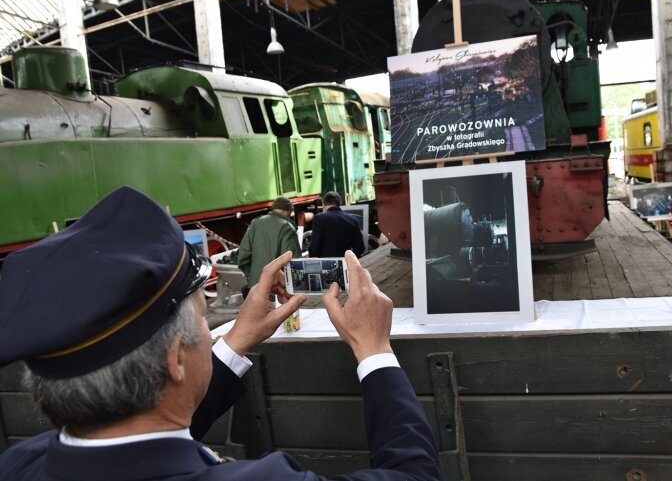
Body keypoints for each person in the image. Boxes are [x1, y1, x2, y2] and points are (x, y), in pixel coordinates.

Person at [0, 186, 442, 480]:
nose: (207, 333)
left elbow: (139, 431)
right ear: (175, 357)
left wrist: (235, 342)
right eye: (201, 320)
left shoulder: (23, 464)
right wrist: (374, 349)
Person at [238, 196, 301, 295]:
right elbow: (293, 262)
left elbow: (243, 255)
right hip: (277, 290)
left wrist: (251, 276)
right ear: (288, 211)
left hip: (255, 288)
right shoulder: (286, 227)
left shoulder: (255, 223)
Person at [308, 191, 366, 257]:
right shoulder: (353, 220)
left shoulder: (319, 218)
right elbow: (360, 248)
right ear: (339, 203)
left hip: (326, 264)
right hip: (345, 263)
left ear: (323, 203)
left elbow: (314, 247)